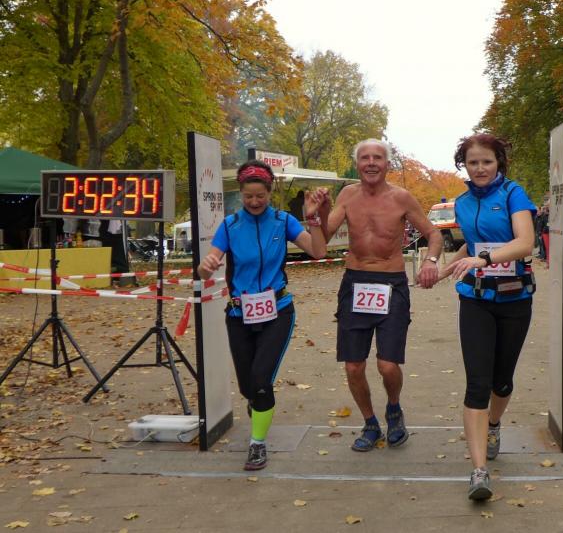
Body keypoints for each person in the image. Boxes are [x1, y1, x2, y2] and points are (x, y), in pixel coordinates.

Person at [312, 139, 443, 454]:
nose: (371, 163)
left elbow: (434, 234)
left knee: (387, 365)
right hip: (355, 281)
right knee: (353, 366)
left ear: (387, 164)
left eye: (377, 158)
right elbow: (323, 238)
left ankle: (394, 409)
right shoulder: (347, 195)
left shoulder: (402, 197)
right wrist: (317, 213)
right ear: (357, 163)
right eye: (365, 158)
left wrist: (430, 261)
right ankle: (370, 423)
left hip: (391, 283)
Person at [197, 160, 327, 471]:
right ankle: (256, 402)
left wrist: (313, 219)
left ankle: (257, 444)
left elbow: (318, 251)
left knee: (260, 380)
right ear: (240, 195)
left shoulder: (283, 222)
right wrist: (206, 266)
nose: (254, 202)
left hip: (277, 312)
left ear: (270, 193)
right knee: (247, 386)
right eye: (248, 196)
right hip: (239, 314)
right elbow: (208, 264)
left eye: (260, 196)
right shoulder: (230, 225)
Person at [440, 133, 536, 501]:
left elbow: (524, 242)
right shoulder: (462, 203)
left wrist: (483, 260)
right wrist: (444, 269)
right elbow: (473, 241)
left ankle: (494, 424)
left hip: (514, 299)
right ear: (464, 165)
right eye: (473, 162)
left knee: (502, 382)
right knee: (477, 384)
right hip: (475, 300)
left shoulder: (513, 194)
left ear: (499, 163)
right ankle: (479, 471)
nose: (480, 168)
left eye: (487, 161)